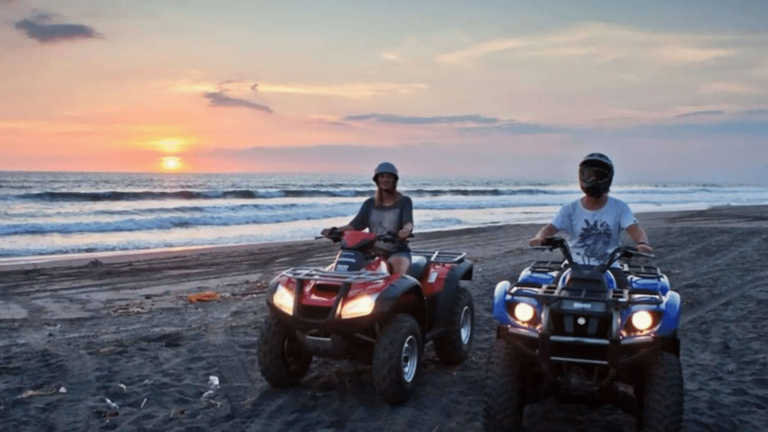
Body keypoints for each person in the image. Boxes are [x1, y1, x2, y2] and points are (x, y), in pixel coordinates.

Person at [528, 153, 653, 287]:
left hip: (609, 267)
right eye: (589, 175)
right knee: (551, 298)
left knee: (627, 300)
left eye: (598, 176)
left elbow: (634, 228)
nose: (593, 180)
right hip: (573, 265)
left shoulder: (619, 207)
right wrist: (540, 237)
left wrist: (642, 243)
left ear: (608, 178)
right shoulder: (570, 209)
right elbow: (550, 228)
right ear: (581, 176)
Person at [321, 162, 414, 275]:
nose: (385, 179)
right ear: (377, 180)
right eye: (381, 176)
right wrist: (334, 230)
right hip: (373, 252)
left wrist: (405, 231)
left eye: (389, 176)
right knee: (343, 272)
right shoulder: (370, 203)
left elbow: (408, 222)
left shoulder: (404, 201)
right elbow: (354, 225)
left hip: (397, 252)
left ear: (395, 180)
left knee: (398, 276)